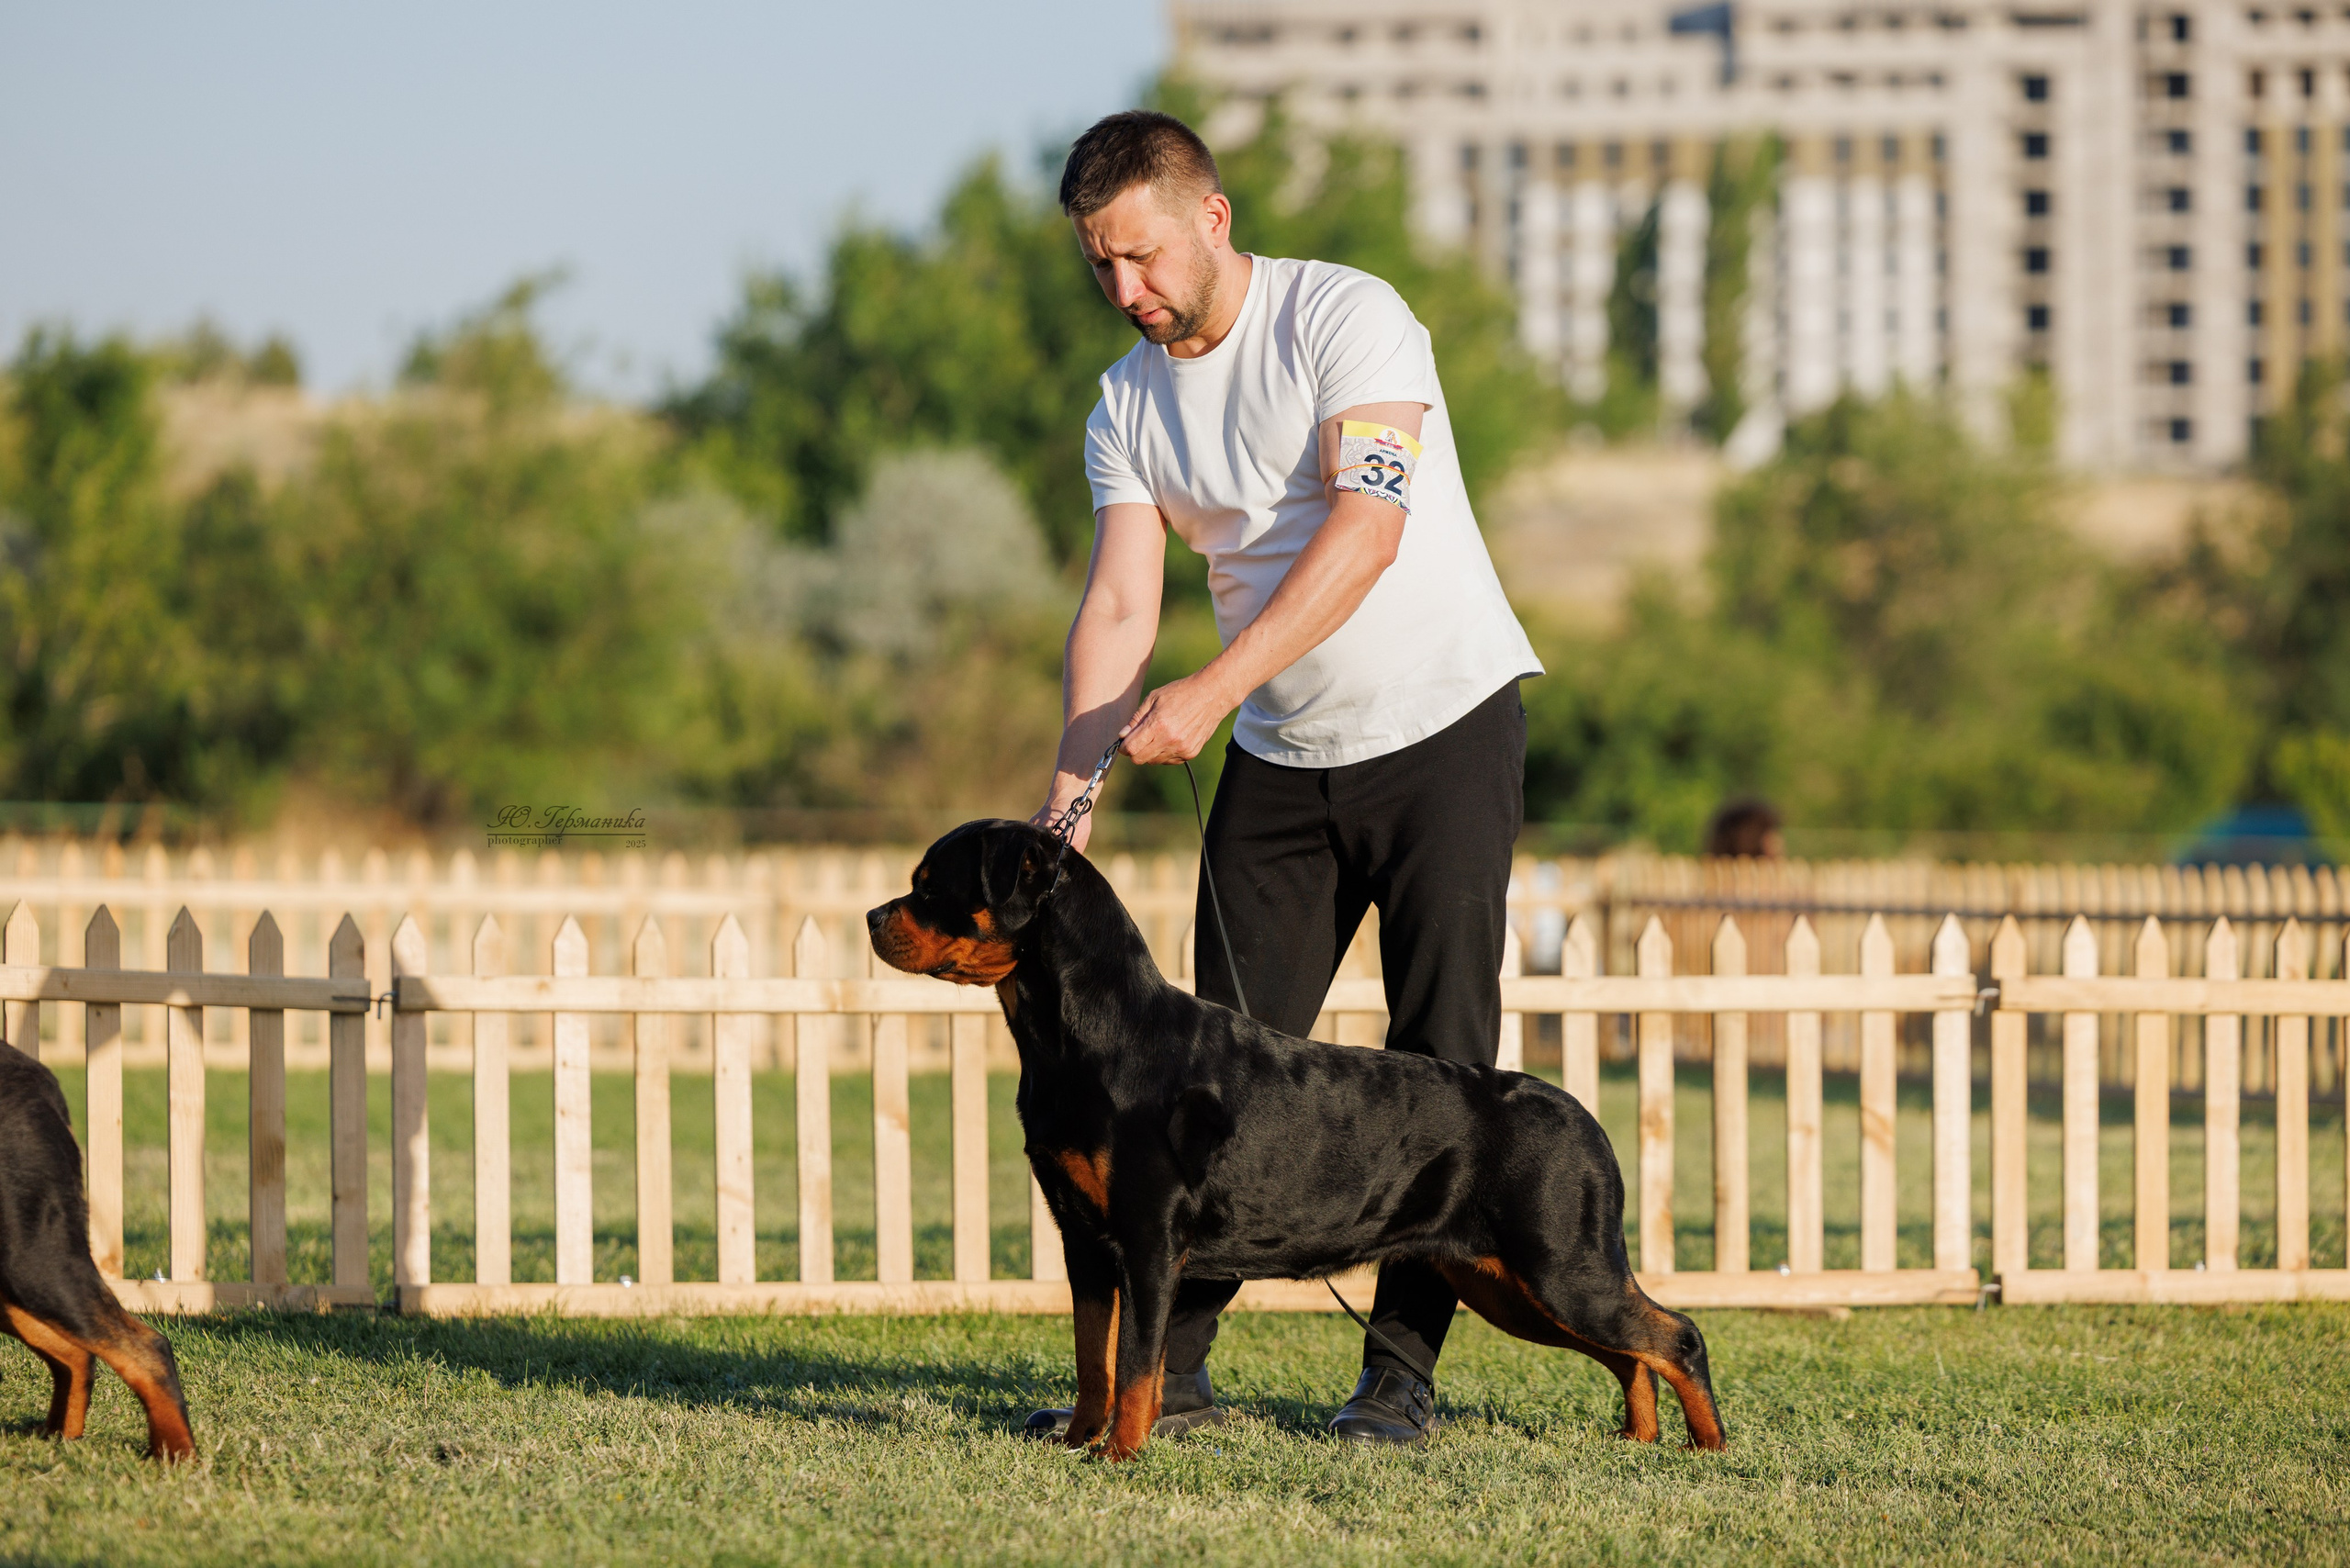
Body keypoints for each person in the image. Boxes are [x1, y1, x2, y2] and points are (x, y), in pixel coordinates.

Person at [1024, 109, 1543, 1449]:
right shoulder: (1125, 405)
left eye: (1141, 254)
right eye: (1099, 264)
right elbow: (1120, 608)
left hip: (1443, 727)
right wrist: (1066, 803)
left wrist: (1211, 690)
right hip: (1279, 756)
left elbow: (1367, 530)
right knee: (1206, 1078)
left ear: (1212, 217)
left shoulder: (1347, 319)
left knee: (1439, 1069)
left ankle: (1399, 1382)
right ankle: (1175, 1379)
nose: (1125, 288)